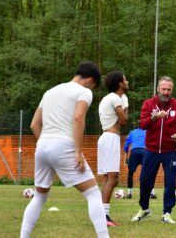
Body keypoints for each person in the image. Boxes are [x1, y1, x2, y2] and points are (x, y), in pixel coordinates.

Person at [20, 62, 109, 238]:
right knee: (93, 194)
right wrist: (77, 151)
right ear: (89, 81)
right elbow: (78, 117)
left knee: (39, 197)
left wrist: (47, 145)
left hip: (43, 145)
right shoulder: (84, 92)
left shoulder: (50, 92)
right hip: (64, 146)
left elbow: (34, 124)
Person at [131, 76, 176, 224]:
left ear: (172, 90)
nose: (166, 92)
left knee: (170, 183)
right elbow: (142, 124)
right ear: (158, 89)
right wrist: (154, 117)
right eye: (163, 89)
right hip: (151, 150)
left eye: (169, 89)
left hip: (169, 151)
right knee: (145, 181)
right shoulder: (149, 104)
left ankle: (167, 213)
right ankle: (144, 209)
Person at [97, 71, 129, 227]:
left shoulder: (107, 98)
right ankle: (104, 217)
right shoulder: (116, 98)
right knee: (113, 178)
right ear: (119, 84)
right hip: (111, 138)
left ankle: (102, 215)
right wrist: (125, 105)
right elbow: (124, 120)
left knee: (107, 179)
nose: (127, 81)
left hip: (105, 138)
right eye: (125, 80)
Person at [123, 125, 157, 200]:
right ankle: (152, 193)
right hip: (144, 152)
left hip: (134, 152)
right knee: (149, 173)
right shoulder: (148, 132)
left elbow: (126, 144)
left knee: (130, 173)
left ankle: (129, 193)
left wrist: (126, 157)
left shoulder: (132, 132)